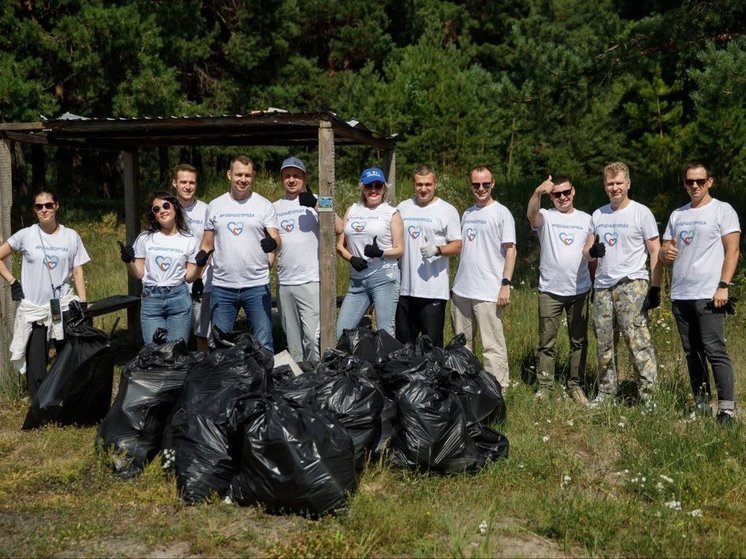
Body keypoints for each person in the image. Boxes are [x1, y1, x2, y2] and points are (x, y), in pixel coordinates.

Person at [659, 163, 740, 425]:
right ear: (684, 183)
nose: (694, 186)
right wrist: (665, 253)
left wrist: (723, 285)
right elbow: (664, 249)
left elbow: (733, 251)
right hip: (681, 293)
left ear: (710, 182)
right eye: (689, 182)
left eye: (700, 181)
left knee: (714, 349)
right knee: (691, 352)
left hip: (709, 292)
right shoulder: (677, 214)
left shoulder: (722, 210)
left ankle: (727, 408)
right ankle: (702, 404)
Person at [582, 161, 662, 408]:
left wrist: (656, 287)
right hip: (603, 287)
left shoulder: (641, 213)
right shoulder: (598, 214)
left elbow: (655, 250)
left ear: (628, 184)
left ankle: (649, 397)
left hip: (632, 284)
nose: (614, 188)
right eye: (610, 184)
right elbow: (587, 251)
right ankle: (607, 393)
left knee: (637, 341)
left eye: (619, 183)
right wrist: (592, 251)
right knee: (604, 343)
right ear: (605, 186)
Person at [0, 190, 90, 398]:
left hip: (63, 305)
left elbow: (77, 270)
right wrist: (13, 281)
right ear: (35, 210)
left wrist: (83, 303)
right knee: (37, 362)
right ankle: (39, 405)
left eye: (48, 205)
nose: (44, 210)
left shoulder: (70, 236)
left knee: (67, 356)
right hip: (36, 310)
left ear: (56, 206)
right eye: (39, 206)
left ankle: (66, 399)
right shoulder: (26, 235)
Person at [198, 155, 281, 351]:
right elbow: (207, 243)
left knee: (263, 342)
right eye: (238, 175)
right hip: (222, 286)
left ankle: (264, 380)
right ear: (229, 175)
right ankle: (222, 381)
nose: (243, 179)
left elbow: (277, 240)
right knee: (219, 343)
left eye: (247, 175)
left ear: (253, 177)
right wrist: (201, 257)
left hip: (256, 285)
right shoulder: (215, 206)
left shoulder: (264, 205)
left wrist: (272, 244)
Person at [527, 175, 593, 403]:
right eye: (557, 194)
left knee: (579, 341)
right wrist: (538, 193)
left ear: (573, 191)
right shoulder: (546, 216)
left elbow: (591, 254)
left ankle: (576, 385)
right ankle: (545, 387)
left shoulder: (587, 219)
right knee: (547, 343)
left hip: (580, 290)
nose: (562, 197)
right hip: (550, 291)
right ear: (552, 196)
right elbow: (531, 216)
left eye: (566, 192)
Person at [451, 165, 517, 389]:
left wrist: (505, 284)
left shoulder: (502, 213)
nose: (481, 188)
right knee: (462, 345)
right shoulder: (467, 213)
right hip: (461, 291)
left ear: (492, 184)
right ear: (471, 185)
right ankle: (467, 388)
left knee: (492, 347)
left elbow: (511, 250)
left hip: (488, 292)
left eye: (485, 184)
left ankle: (498, 390)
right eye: (476, 184)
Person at [119, 191, 203, 344]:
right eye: (156, 209)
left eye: (165, 206)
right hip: (151, 298)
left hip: (178, 296)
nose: (162, 211)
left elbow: (189, 276)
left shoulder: (188, 240)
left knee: (176, 351)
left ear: (175, 208)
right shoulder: (145, 238)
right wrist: (128, 261)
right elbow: (138, 273)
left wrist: (199, 266)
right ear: (154, 215)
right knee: (153, 352)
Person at [395, 164, 462, 347]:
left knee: (431, 347)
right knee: (403, 346)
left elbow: (457, 245)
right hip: (405, 289)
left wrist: (438, 249)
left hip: (433, 291)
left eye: (428, 184)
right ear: (413, 184)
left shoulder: (447, 210)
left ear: (435, 184)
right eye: (419, 185)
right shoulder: (403, 207)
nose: (423, 189)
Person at [336, 167, 404, 339]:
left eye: (378, 186)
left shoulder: (391, 213)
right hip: (357, 279)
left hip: (383, 276)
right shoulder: (352, 210)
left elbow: (400, 249)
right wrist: (351, 258)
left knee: (384, 332)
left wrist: (380, 252)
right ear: (362, 188)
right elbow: (340, 246)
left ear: (384, 188)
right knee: (341, 333)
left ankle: (387, 365)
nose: (373, 190)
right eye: (368, 186)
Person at [270, 156, 321, 363]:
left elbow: (337, 225)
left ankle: (318, 376)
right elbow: (272, 244)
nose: (291, 180)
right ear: (282, 179)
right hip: (285, 282)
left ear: (304, 178)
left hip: (311, 280)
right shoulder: (273, 207)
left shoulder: (319, 198)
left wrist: (317, 205)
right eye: (287, 176)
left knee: (313, 337)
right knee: (291, 338)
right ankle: (298, 382)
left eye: (296, 176)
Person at [172, 163, 211, 352]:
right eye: (183, 182)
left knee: (202, 333)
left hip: (200, 281)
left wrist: (198, 276)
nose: (188, 186)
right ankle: (175, 374)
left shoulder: (207, 209)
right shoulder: (166, 209)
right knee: (175, 336)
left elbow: (211, 245)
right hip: (173, 282)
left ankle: (202, 372)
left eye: (192, 182)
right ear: (174, 183)